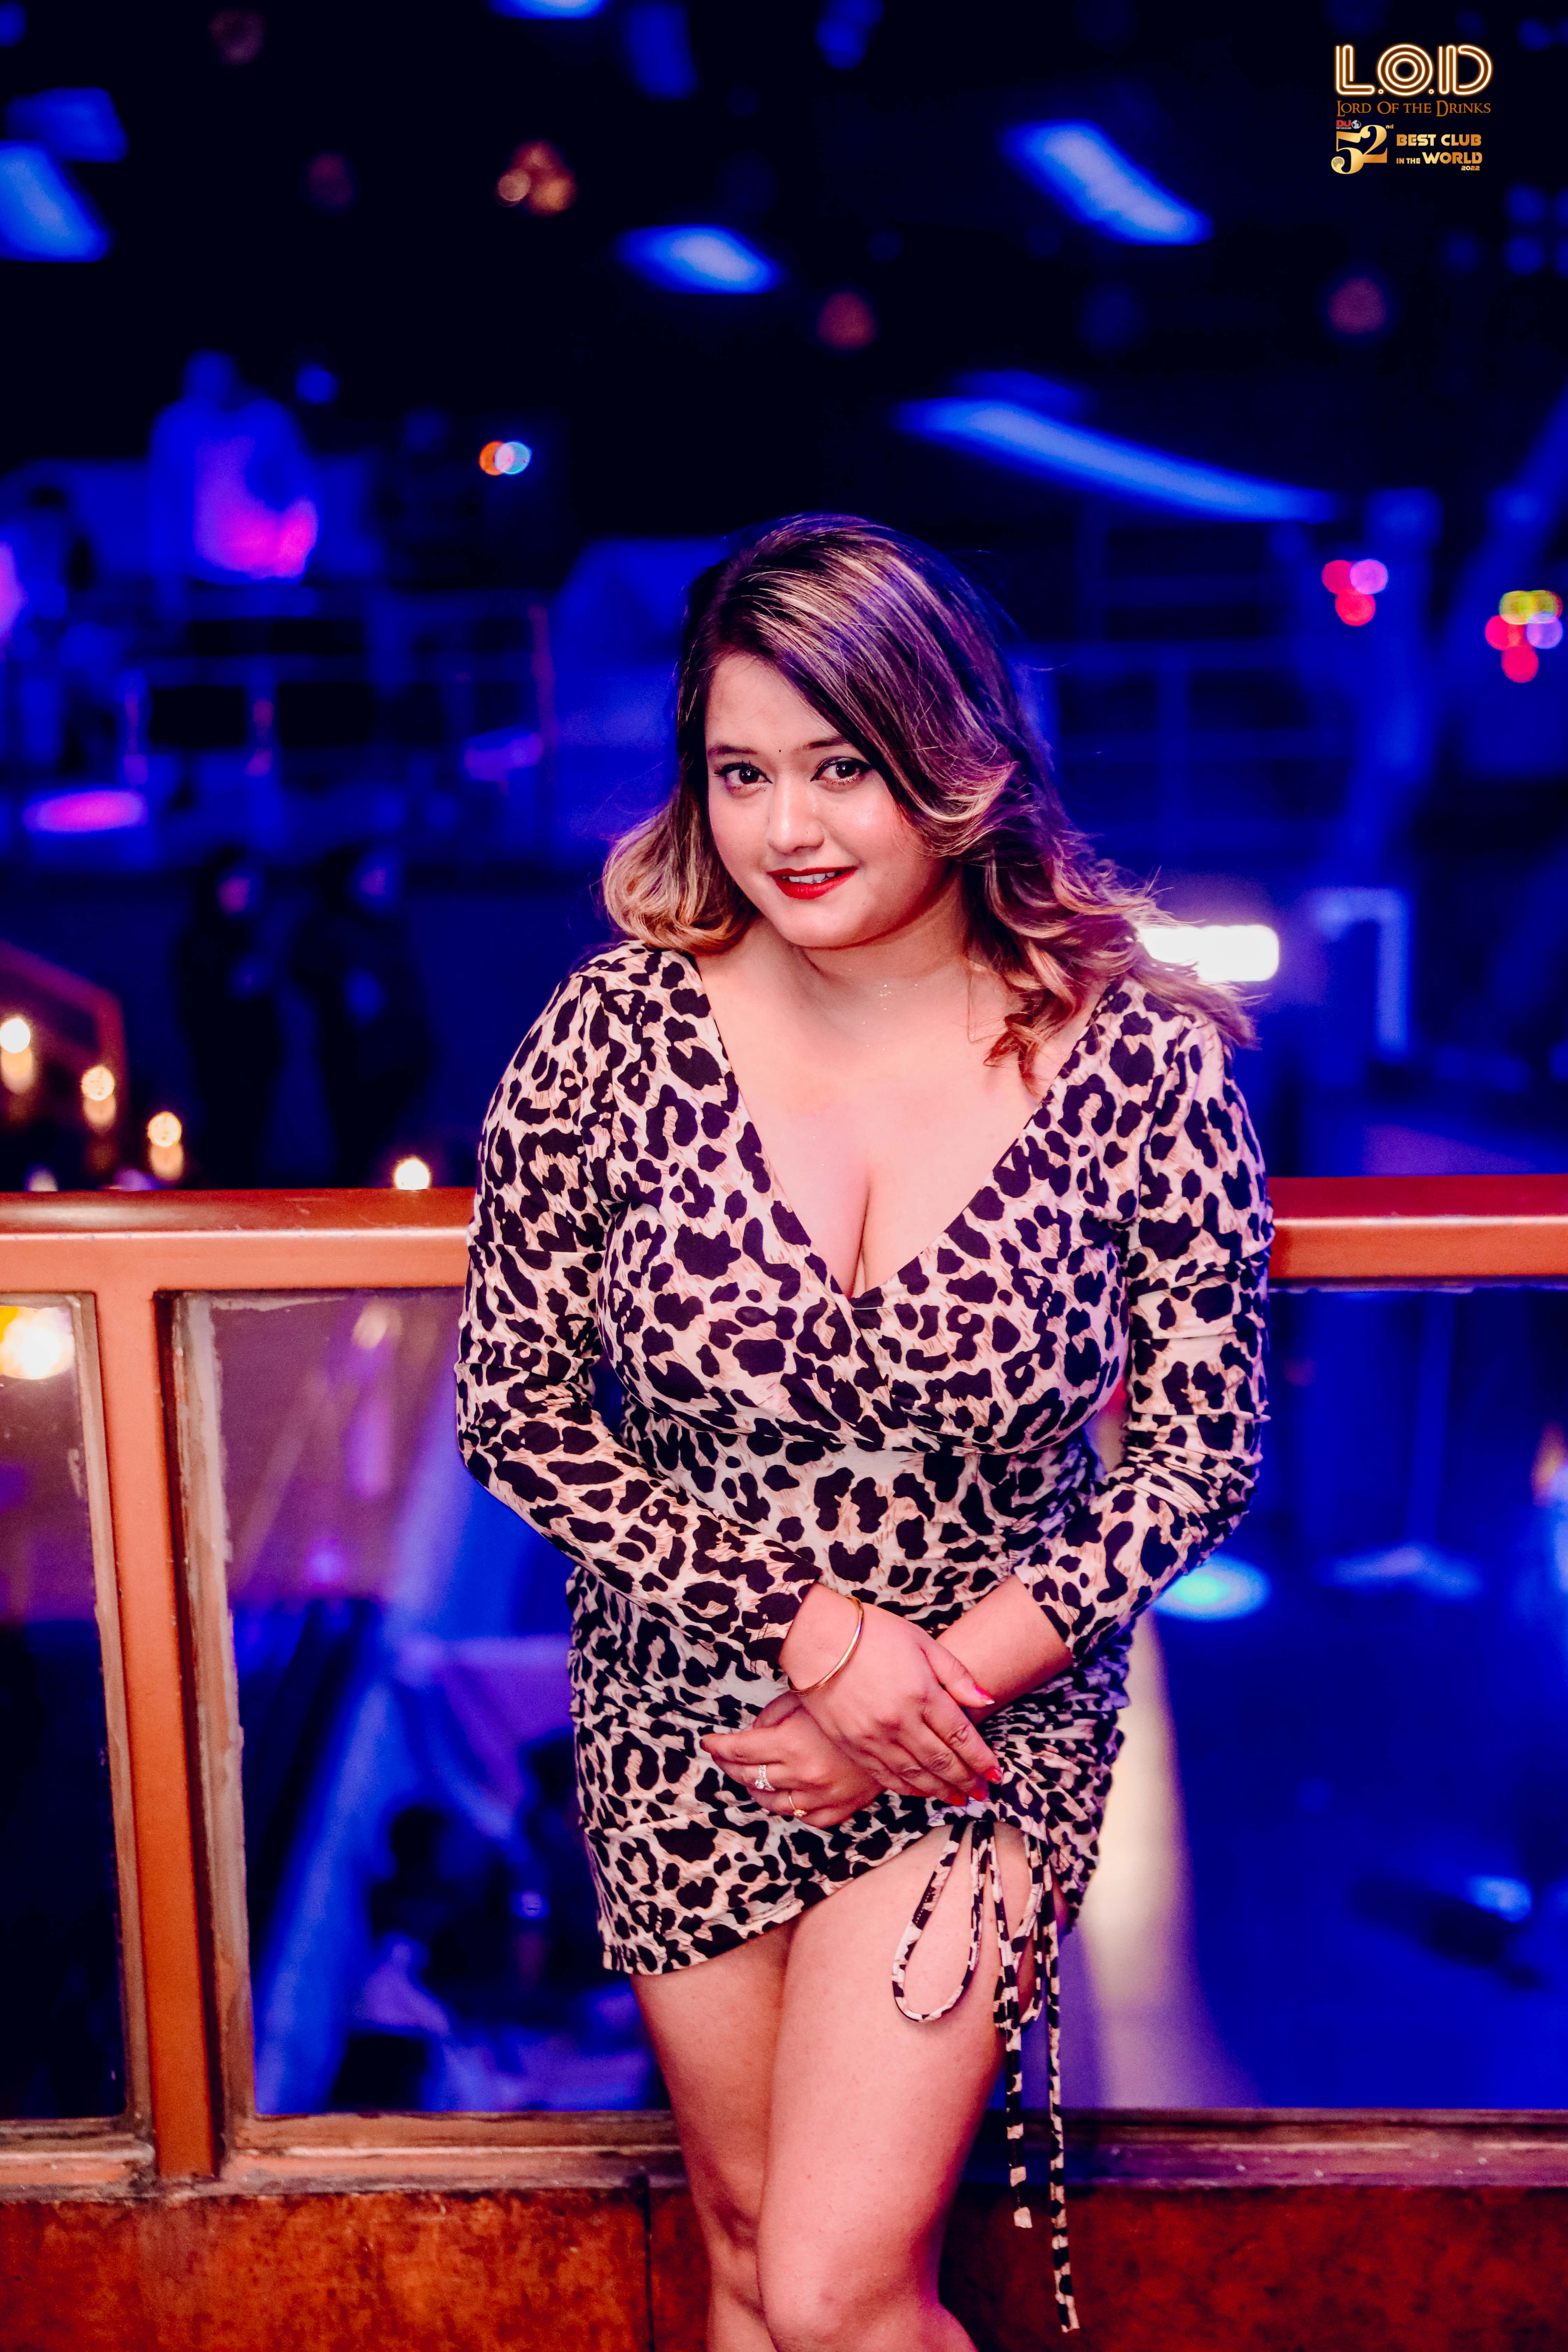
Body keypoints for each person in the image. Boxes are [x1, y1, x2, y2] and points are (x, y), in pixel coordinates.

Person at [457, 516, 1270, 2347]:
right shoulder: (607, 1038)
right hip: (689, 1712)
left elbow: (1195, 1456)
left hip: (985, 1725)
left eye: (843, 767)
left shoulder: (1142, 1060)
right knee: (750, 2247)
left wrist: (926, 1687)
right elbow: (518, 1417)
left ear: (957, 759)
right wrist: (816, 1641)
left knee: (835, 2287)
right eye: (740, 772)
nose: (789, 828)